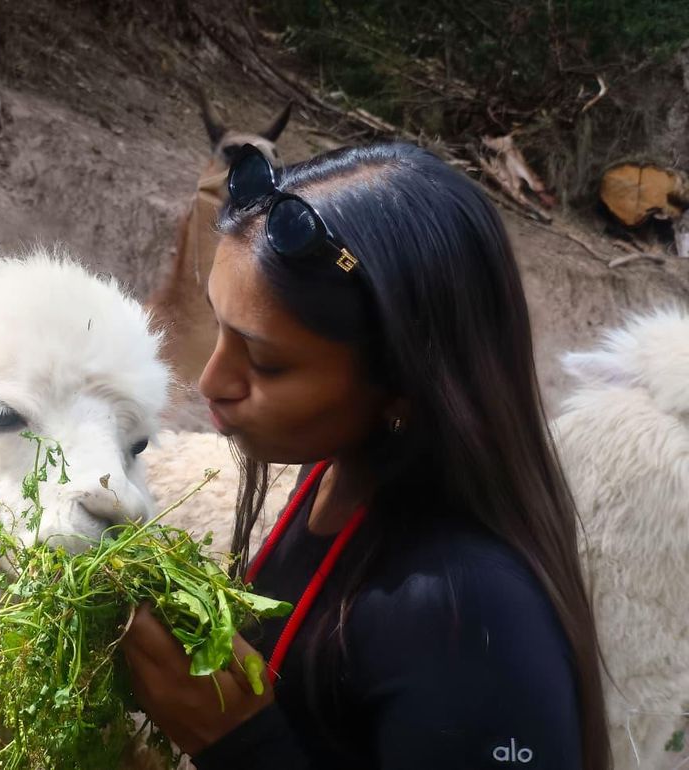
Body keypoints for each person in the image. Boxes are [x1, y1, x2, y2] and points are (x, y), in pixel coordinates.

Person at [120, 143, 610, 769]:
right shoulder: (341, 475)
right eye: (219, 329)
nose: (212, 381)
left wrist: (236, 742)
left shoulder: (470, 617)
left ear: (405, 382)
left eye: (265, 360)